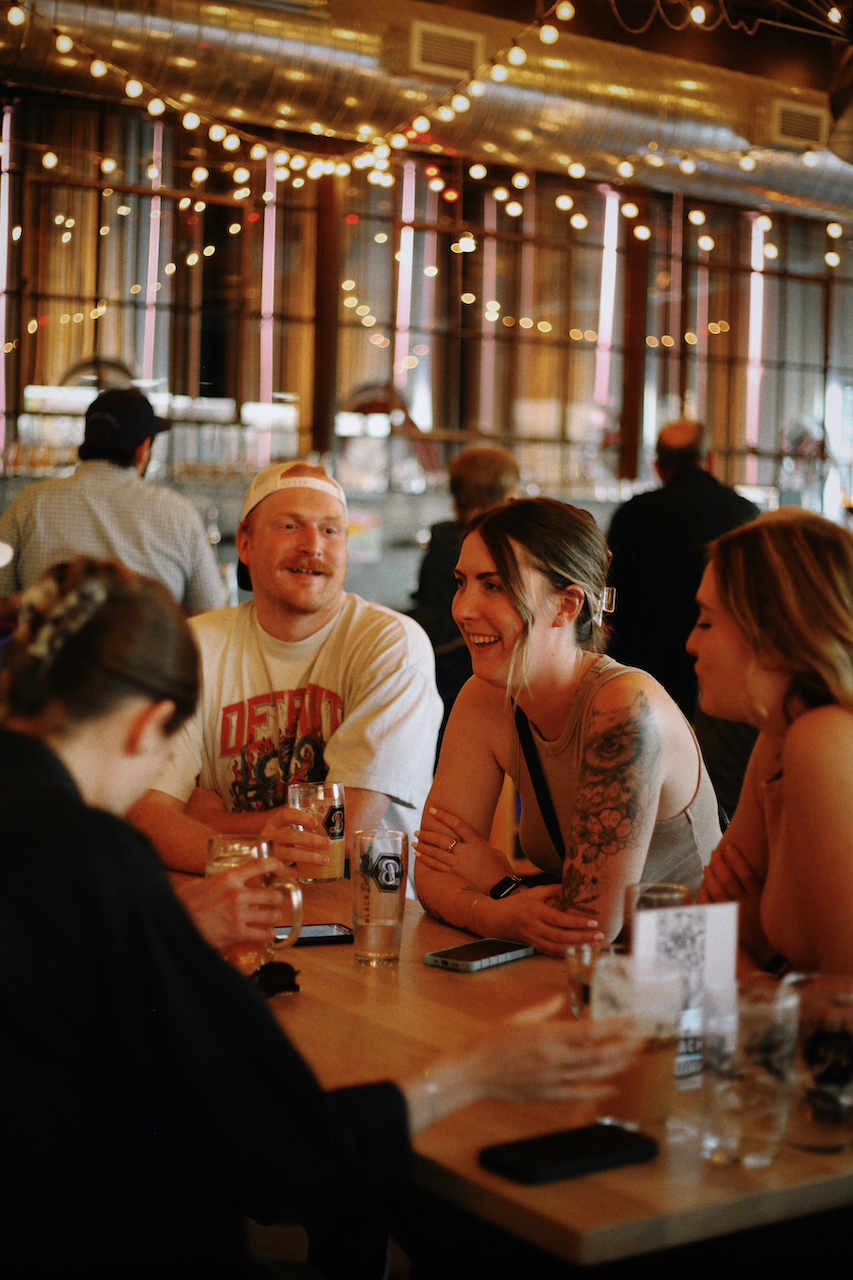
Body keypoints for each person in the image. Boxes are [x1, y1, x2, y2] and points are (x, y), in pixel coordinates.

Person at [0, 557, 637, 1279]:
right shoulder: (93, 860)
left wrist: (170, 925)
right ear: (149, 724)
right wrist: (472, 1075)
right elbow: (285, 1150)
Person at [413, 497, 721, 954]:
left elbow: (587, 925)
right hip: (600, 973)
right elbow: (432, 871)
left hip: (691, 976)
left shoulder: (624, 708)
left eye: (494, 586)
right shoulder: (484, 697)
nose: (463, 608)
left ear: (567, 605)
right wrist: (502, 913)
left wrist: (494, 881)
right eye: (462, 582)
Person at [129, 460, 443, 879]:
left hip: (359, 922)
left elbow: (344, 836)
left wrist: (218, 825)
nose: (313, 545)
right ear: (245, 543)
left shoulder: (391, 645)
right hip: (236, 911)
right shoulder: (193, 647)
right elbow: (148, 821)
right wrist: (262, 846)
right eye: (290, 526)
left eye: (331, 530)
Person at [690, 510, 853, 976]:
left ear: (775, 640)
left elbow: (844, 1010)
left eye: (706, 622)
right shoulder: (778, 737)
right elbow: (714, 925)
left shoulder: (824, 738)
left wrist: (746, 964)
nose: (690, 643)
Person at [606, 419, 760, 817]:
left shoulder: (633, 515)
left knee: (641, 805)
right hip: (725, 688)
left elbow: (610, 606)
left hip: (641, 684)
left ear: (658, 466)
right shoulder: (744, 515)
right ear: (709, 459)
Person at [0, 386, 225, 617]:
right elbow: (212, 613)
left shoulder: (30, 503)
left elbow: (2, 600)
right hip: (147, 651)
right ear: (143, 449)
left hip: (50, 650)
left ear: (87, 438)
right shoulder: (178, 513)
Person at [409, 445, 520, 741]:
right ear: (502, 490)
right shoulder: (505, 543)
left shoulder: (443, 534)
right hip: (473, 659)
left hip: (438, 659)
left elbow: (425, 595)